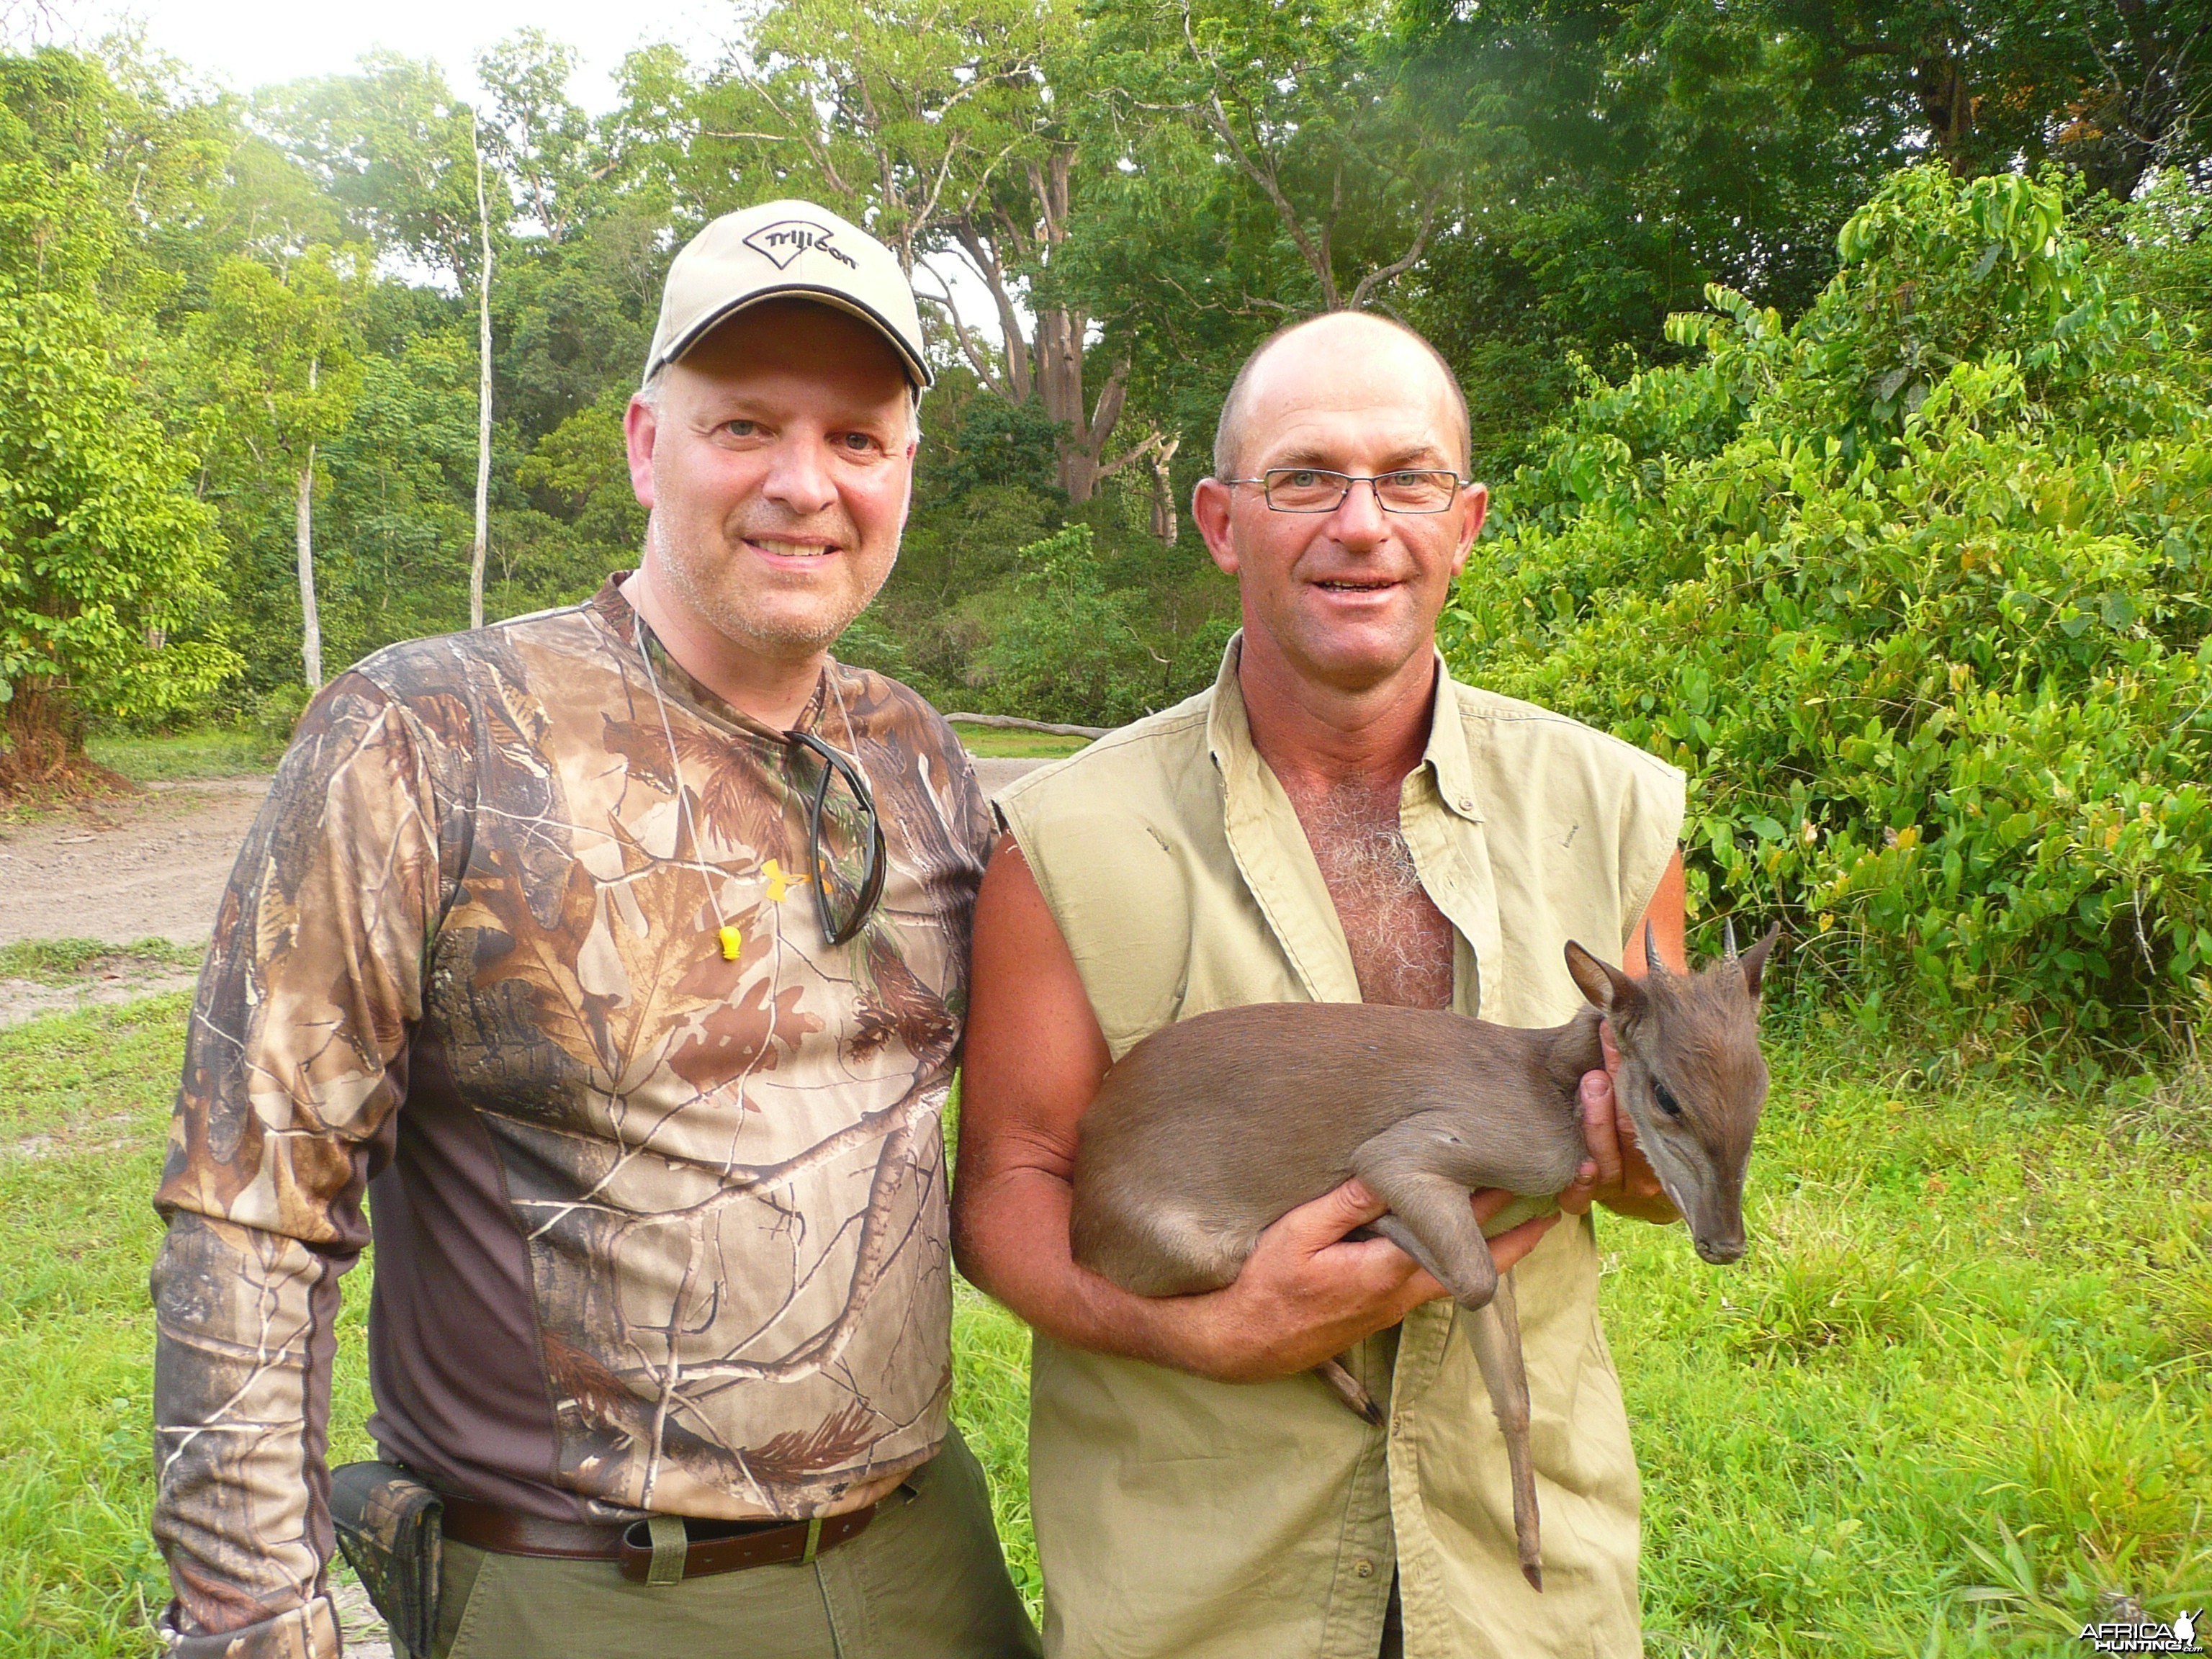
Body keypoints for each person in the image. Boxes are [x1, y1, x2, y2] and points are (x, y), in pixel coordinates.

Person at [150, 200, 1040, 1659]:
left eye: (857, 439)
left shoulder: (915, 755)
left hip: (923, 1564)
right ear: (644, 443)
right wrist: (256, 1622)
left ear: (905, 472)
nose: (804, 485)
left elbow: (1050, 1111)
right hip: (581, 1594)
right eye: (743, 425)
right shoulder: (430, 732)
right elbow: (252, 1208)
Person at [953, 310, 1689, 1658]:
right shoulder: (1066, 839)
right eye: (1305, 478)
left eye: (1407, 479)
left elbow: (1654, 1169)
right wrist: (1202, 1336)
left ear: (1464, 523)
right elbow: (1006, 1189)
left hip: (1529, 1589)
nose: (1363, 524)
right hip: (1201, 1593)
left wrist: (1635, 1160)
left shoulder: (1612, 811)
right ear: (1224, 522)